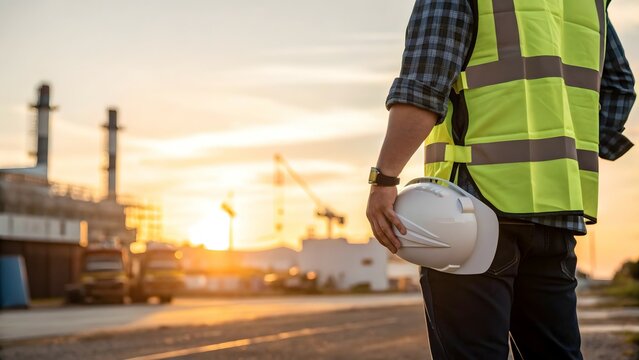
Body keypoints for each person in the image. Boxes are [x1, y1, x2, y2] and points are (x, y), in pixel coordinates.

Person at [366, 0, 635, 358]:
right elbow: (619, 86)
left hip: (472, 211)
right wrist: (565, 144)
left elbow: (423, 85)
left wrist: (384, 179)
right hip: (557, 210)